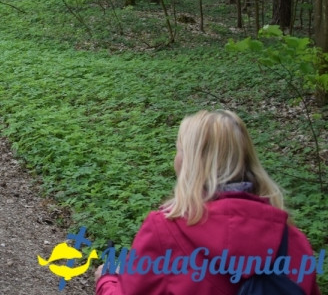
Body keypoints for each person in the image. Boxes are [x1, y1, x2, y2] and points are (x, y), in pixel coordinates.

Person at [95, 109, 322, 295]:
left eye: (179, 150)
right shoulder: (293, 240)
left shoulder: (165, 230)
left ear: (190, 162)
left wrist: (107, 280)